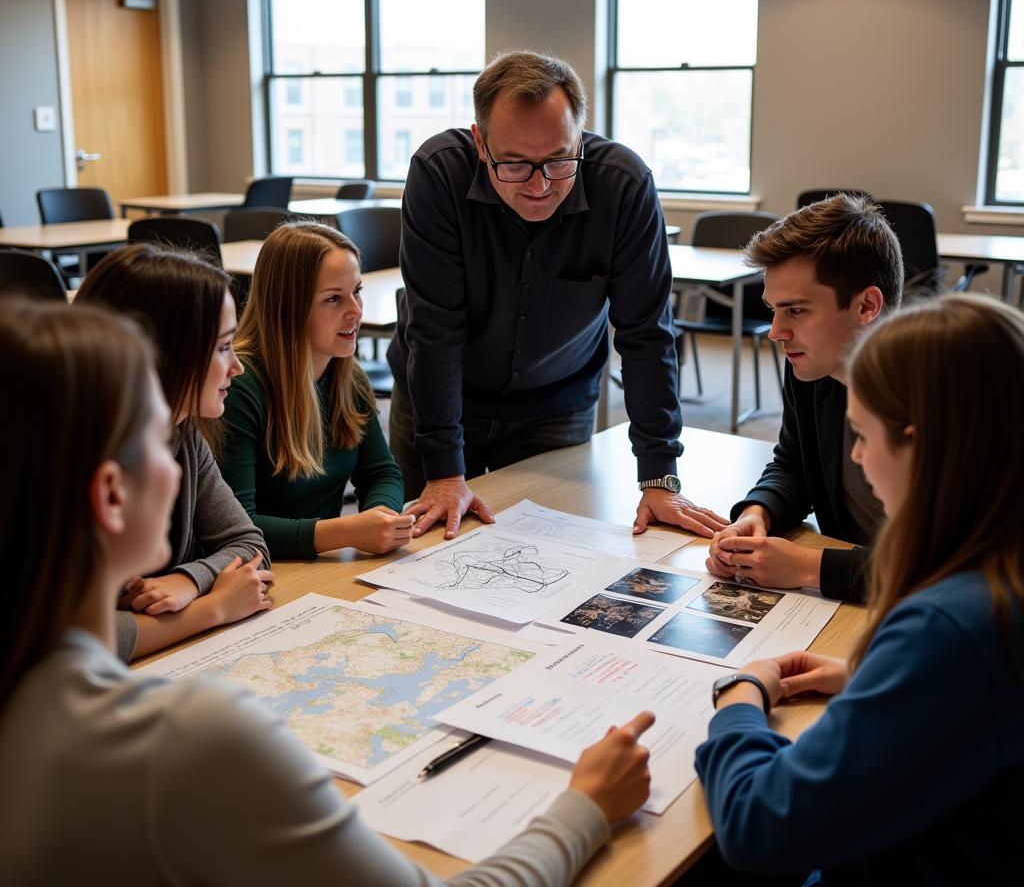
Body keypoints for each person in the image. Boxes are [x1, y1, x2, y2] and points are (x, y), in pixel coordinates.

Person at [0, 298, 656, 885]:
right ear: (113, 495)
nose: (183, 461)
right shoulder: (186, 742)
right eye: (160, 441)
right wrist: (587, 806)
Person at [693, 294, 1024, 884]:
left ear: (920, 445)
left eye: (864, 435)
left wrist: (738, 698)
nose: (858, 458)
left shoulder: (950, 624)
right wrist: (881, 679)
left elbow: (759, 827)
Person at [387, 50, 726, 541]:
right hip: (438, 396)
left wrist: (659, 474)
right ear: (481, 142)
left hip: (555, 406)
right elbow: (434, 330)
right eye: (517, 165)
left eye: (558, 160)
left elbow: (646, 335)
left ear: (580, 137)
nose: (540, 186)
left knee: (544, 554)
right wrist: (443, 470)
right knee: (420, 556)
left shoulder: (623, 187)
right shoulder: (440, 174)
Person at [75, 243, 272, 660]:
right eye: (222, 347)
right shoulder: (68, 461)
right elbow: (77, 640)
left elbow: (248, 543)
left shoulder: (182, 431)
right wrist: (213, 608)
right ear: (165, 353)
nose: (236, 367)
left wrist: (189, 579)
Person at [705, 195, 904, 602]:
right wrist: (757, 514)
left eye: (795, 310)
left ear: (867, 305)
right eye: (773, 310)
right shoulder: (812, 367)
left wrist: (806, 566)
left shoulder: (946, 400)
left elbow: (958, 568)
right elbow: (795, 464)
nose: (775, 331)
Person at [218, 222, 408, 559]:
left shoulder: (347, 376)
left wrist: (382, 517)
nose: (356, 311)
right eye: (334, 299)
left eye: (357, 291)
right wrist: (347, 531)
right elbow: (236, 527)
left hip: (321, 566)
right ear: (289, 306)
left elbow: (381, 473)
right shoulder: (239, 386)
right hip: (263, 573)